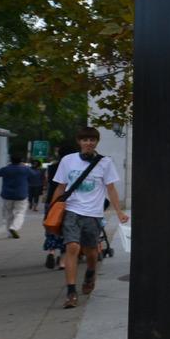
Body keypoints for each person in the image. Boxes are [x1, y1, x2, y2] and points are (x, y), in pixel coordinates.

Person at [47, 128, 128, 308]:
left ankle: (90, 271)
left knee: (91, 252)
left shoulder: (105, 163)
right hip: (72, 210)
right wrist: (51, 211)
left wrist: (119, 212)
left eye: (92, 140)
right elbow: (60, 187)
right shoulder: (68, 160)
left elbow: (111, 189)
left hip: (93, 213)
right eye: (85, 140)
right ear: (79, 141)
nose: (89, 143)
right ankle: (71, 292)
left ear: (97, 142)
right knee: (72, 247)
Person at [0, 151, 35, 239]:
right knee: (20, 213)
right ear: (21, 160)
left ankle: (9, 233)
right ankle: (14, 227)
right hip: (21, 195)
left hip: (7, 195)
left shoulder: (6, 169)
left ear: (11, 160)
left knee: (9, 214)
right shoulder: (25, 169)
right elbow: (34, 175)